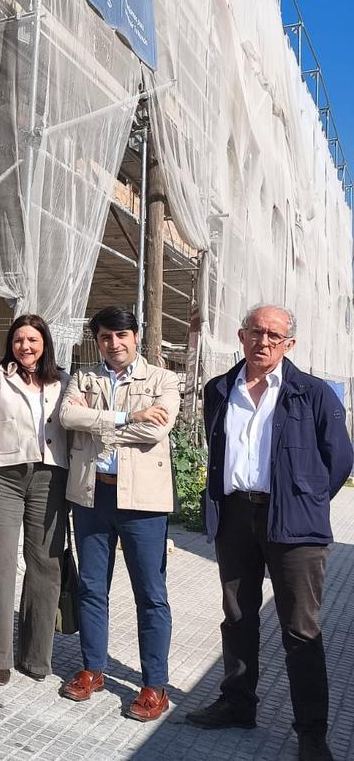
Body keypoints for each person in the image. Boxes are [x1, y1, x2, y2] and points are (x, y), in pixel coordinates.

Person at [186, 304, 353, 761]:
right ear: (241, 336)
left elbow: (339, 459)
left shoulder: (313, 393)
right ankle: (238, 703)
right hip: (236, 516)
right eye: (256, 332)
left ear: (289, 344)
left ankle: (311, 732)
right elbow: (217, 446)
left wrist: (306, 498)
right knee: (238, 616)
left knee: (301, 629)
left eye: (274, 335)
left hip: (294, 523)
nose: (263, 341)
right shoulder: (219, 389)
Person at [57, 307, 180, 722]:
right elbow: (66, 416)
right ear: (98, 340)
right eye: (106, 336)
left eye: (122, 335)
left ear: (136, 335)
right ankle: (93, 669)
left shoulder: (162, 379)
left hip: (142, 503)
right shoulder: (84, 377)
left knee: (150, 594)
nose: (115, 343)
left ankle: (153, 684)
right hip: (92, 497)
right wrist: (128, 416)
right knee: (93, 588)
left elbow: (156, 430)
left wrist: (95, 424)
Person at [0, 313, 69, 686]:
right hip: (3, 477)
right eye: (18, 340)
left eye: (32, 340)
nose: (25, 347)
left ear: (44, 344)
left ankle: (36, 655)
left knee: (46, 563)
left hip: (49, 476)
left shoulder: (62, 381)